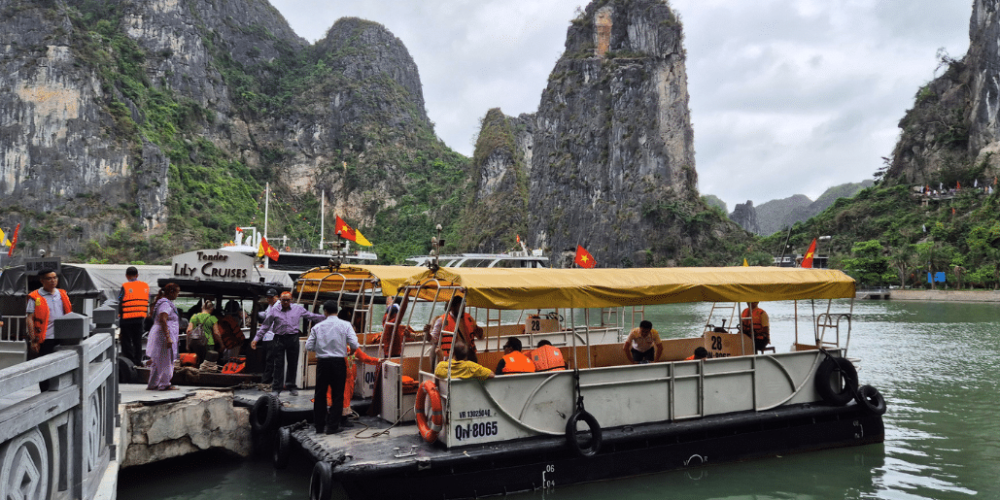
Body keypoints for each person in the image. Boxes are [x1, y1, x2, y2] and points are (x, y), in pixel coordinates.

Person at [253, 292, 325, 398]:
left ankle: (291, 386)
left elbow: (311, 316)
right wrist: (256, 339)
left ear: (292, 300)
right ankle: (276, 389)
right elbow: (265, 326)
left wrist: (326, 317)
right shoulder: (274, 310)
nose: (285, 302)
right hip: (279, 338)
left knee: (293, 363)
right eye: (283, 300)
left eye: (288, 300)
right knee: (278, 364)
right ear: (280, 300)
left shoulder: (298, 309)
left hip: (293, 338)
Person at [305, 300, 358, 434]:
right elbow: (354, 344)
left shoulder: (317, 327)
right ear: (337, 311)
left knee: (320, 394)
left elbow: (308, 346)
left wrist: (321, 349)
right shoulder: (346, 325)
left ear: (325, 312)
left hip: (323, 362)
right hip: (339, 362)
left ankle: (319, 426)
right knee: (338, 394)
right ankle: (333, 426)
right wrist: (350, 352)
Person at [25, 267, 72, 391]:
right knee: (45, 366)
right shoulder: (35, 297)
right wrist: (33, 339)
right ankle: (45, 392)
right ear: (42, 281)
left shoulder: (62, 294)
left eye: (55, 277)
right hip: (45, 338)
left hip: (62, 337)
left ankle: (61, 390)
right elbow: (30, 318)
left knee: (62, 365)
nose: (53, 281)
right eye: (49, 278)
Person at [428, 296, 484, 363]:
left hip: (468, 355)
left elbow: (480, 337)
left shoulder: (469, 319)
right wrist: (427, 334)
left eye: (464, 308)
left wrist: (480, 334)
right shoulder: (441, 321)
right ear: (452, 308)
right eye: (460, 308)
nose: (462, 311)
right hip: (451, 358)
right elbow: (433, 339)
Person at [146, 283, 181, 391]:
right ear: (171, 292)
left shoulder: (164, 303)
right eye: (177, 292)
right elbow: (163, 319)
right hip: (163, 335)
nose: (177, 295)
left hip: (162, 334)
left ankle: (153, 383)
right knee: (167, 359)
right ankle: (165, 384)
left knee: (158, 360)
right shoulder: (165, 304)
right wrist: (168, 337)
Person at [117, 266, 149, 366]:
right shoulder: (145, 286)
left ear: (126, 276)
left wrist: (119, 316)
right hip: (139, 318)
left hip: (127, 318)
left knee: (126, 340)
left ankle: (129, 361)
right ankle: (138, 361)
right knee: (137, 341)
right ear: (137, 275)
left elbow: (120, 300)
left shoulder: (125, 286)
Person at [256, 289, 280, 389]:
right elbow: (265, 316)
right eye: (268, 297)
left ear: (276, 297)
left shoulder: (279, 306)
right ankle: (265, 378)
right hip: (267, 336)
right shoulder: (270, 306)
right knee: (265, 359)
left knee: (270, 359)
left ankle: (267, 380)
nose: (269, 299)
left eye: (271, 297)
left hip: (274, 336)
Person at [186, 300, 220, 364]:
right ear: (211, 309)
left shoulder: (194, 316)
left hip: (195, 343)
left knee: (195, 361)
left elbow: (188, 331)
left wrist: (187, 345)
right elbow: (216, 333)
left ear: (202, 308)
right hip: (208, 344)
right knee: (208, 363)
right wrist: (222, 344)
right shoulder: (212, 318)